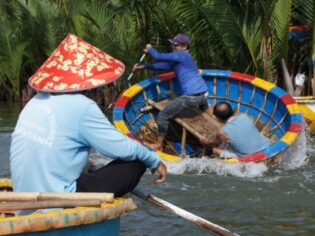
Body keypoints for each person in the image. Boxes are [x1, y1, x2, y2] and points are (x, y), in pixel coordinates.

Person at [10, 34, 167, 214]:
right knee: (137, 160)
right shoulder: (82, 106)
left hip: (23, 195)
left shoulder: (34, 102)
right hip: (59, 200)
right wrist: (153, 160)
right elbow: (123, 148)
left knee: (89, 164)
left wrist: (83, 165)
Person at [133, 33, 212, 151]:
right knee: (204, 108)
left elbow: (158, 56)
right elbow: (162, 66)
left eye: (176, 45)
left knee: (163, 116)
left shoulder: (181, 55)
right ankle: (213, 122)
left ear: (184, 46)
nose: (173, 47)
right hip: (204, 94)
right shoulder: (181, 59)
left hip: (192, 98)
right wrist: (143, 67)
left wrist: (150, 49)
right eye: (173, 45)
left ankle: (159, 144)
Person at [200, 102, 270, 158]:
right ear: (232, 110)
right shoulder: (244, 116)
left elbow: (214, 144)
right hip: (266, 147)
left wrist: (206, 143)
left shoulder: (222, 132)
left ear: (218, 118)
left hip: (249, 158)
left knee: (214, 150)